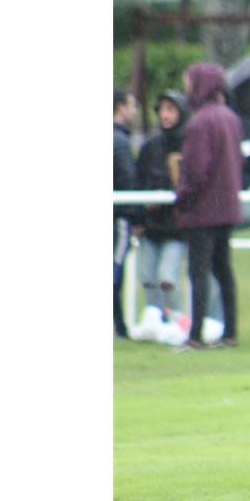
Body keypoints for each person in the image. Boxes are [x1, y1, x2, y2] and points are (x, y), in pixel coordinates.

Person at [174, 63, 243, 350]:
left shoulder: (199, 122)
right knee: (223, 270)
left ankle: (196, 335)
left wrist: (182, 197)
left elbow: (196, 171)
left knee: (198, 272)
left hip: (203, 209)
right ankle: (230, 332)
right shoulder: (230, 117)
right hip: (227, 207)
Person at [135, 90, 189, 323]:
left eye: (171, 110)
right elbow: (139, 180)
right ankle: (154, 319)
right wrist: (141, 213)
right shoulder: (151, 146)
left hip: (177, 227)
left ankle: (178, 319)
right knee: (147, 277)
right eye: (162, 110)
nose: (165, 116)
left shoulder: (190, 144)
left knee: (167, 278)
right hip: (151, 225)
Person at [114, 88, 140, 339]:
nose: (135, 111)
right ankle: (119, 328)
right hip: (118, 217)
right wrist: (138, 216)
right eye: (132, 105)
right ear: (121, 107)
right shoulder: (120, 141)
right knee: (114, 270)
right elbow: (128, 181)